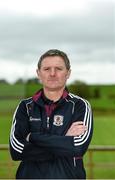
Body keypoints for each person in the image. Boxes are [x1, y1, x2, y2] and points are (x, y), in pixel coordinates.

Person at [9, 49, 93, 179]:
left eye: (59, 68)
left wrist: (32, 137)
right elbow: (16, 150)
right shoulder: (25, 107)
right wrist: (64, 138)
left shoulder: (80, 105)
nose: (52, 74)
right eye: (47, 69)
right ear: (38, 73)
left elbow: (78, 147)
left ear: (68, 73)